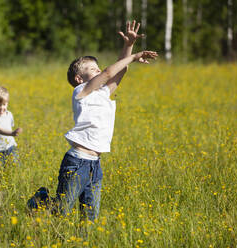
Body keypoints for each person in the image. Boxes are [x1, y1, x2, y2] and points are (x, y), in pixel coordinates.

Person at [56, 20, 158, 221]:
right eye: (93, 69)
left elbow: (119, 72)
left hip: (95, 165)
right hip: (77, 162)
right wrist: (135, 56)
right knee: (62, 211)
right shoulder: (81, 92)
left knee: (90, 216)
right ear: (79, 78)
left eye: (98, 68)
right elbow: (109, 72)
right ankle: (38, 202)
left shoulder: (102, 93)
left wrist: (129, 45)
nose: (99, 71)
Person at [0, 86, 23, 166]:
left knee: (16, 166)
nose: (2, 108)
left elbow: (9, 126)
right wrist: (12, 133)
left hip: (10, 146)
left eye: (4, 104)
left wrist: (15, 132)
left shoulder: (9, 114)